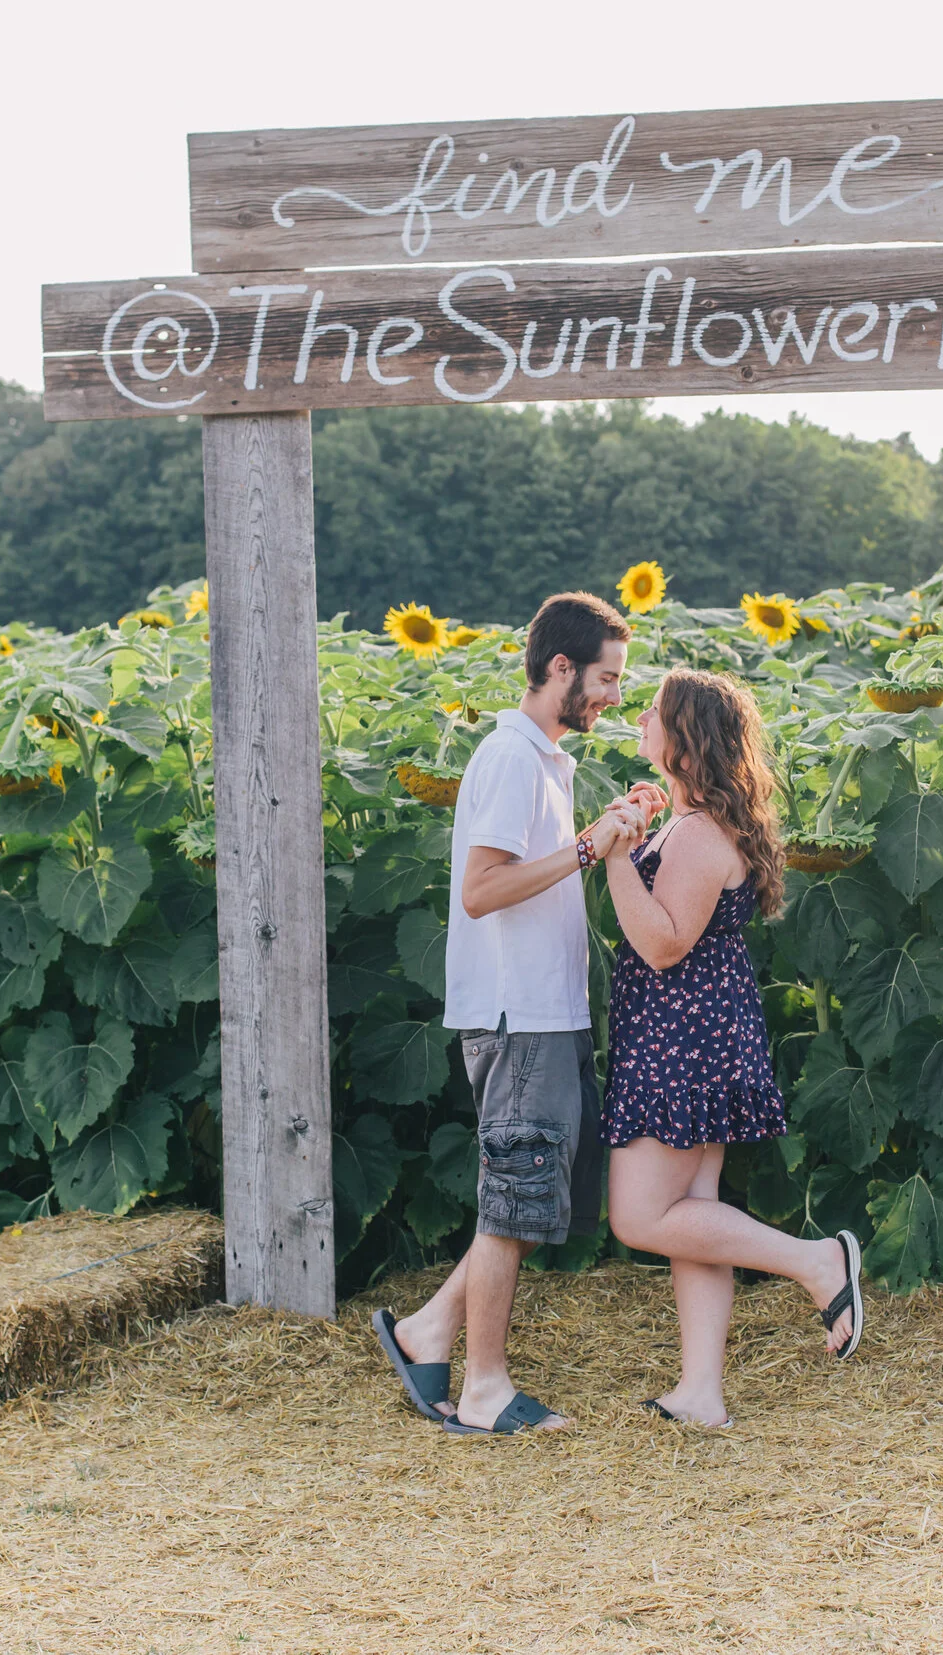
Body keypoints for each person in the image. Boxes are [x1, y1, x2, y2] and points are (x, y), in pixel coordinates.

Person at [370, 591, 638, 1435]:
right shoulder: (512, 757)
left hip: (545, 1010)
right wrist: (588, 846)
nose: (614, 695)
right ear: (560, 667)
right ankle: (484, 1388)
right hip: (519, 1014)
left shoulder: (544, 760)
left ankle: (426, 1332)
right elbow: (482, 890)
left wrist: (606, 832)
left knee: (528, 1198)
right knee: (513, 1199)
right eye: (606, 677)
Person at [598, 669, 864, 1429]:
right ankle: (700, 1392)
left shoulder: (697, 834)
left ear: (684, 740)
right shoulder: (696, 825)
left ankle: (816, 1261)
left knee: (639, 1216)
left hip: (681, 1039)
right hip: (698, 1033)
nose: (639, 718)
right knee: (694, 1213)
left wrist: (615, 855)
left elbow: (662, 943)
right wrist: (638, 836)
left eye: (653, 711)